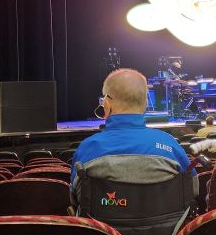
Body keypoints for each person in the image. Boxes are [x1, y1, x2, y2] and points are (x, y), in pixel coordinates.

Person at [72, 68, 195, 197]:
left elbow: (75, 197)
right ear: (146, 104)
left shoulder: (88, 147)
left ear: (107, 103)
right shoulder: (170, 145)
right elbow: (193, 189)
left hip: (99, 217)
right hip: (170, 217)